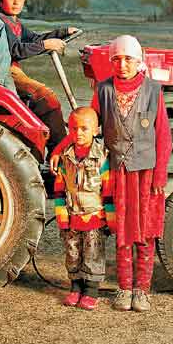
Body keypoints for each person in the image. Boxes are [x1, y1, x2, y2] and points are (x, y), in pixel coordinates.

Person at [91, 35, 171, 313]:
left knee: (146, 231)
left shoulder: (153, 90)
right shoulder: (103, 90)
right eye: (117, 59)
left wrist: (160, 175)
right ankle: (124, 289)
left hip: (147, 174)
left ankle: (142, 290)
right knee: (123, 231)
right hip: (118, 172)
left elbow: (163, 135)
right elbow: (89, 126)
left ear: (139, 62)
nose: (122, 64)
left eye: (128, 59)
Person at [0, 0, 80, 153]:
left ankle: (51, 144)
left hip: (13, 70)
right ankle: (60, 151)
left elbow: (34, 39)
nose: (16, 2)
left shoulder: (14, 23)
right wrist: (45, 45)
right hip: (4, 70)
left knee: (45, 100)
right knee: (47, 99)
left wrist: (62, 32)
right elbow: (15, 50)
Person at [48, 107, 109, 309]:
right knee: (72, 253)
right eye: (74, 129)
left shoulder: (102, 157)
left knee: (93, 254)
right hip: (72, 215)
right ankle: (75, 289)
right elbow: (59, 190)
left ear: (96, 130)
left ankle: (91, 292)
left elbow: (108, 189)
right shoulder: (65, 158)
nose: (79, 133)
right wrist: (61, 216)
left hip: (94, 216)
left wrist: (111, 218)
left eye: (84, 128)